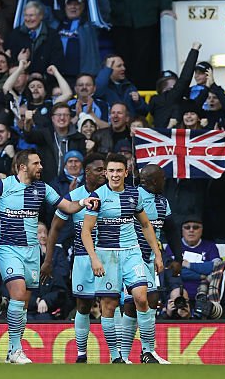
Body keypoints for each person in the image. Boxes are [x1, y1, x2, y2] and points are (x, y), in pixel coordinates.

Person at [0, 150, 94, 364]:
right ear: (23, 166)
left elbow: (67, 206)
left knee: (22, 304)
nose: (41, 167)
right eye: (36, 163)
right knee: (19, 293)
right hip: (9, 249)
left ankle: (13, 351)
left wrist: (84, 202)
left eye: (41, 162)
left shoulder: (42, 188)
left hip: (31, 252)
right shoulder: (3, 186)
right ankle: (15, 350)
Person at [81, 153, 166, 364]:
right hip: (107, 255)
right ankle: (115, 356)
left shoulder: (134, 195)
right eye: (111, 171)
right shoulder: (97, 196)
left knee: (141, 297)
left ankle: (147, 351)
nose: (115, 175)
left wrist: (157, 254)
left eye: (119, 171)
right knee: (108, 306)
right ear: (106, 172)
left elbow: (146, 225)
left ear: (126, 172)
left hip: (132, 252)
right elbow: (86, 230)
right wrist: (94, 258)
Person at [42, 153, 107, 363]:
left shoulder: (111, 194)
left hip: (109, 256)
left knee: (110, 304)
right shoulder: (73, 197)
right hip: (82, 258)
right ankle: (81, 354)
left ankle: (117, 355)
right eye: (99, 170)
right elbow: (54, 229)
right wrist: (48, 261)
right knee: (83, 306)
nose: (104, 174)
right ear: (86, 172)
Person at [120, 164, 183, 361]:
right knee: (150, 297)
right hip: (131, 257)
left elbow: (171, 230)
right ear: (153, 181)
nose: (165, 181)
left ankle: (126, 355)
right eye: (162, 178)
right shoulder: (132, 197)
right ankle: (147, 351)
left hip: (150, 258)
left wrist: (178, 258)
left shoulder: (163, 202)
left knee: (134, 305)